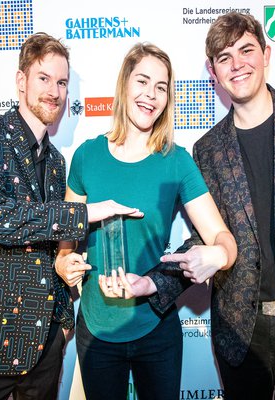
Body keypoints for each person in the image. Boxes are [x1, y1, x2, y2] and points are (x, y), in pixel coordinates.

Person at [119, 12, 275, 400]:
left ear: (266, 54)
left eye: (246, 50)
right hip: (240, 333)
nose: (237, 65)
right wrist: (154, 282)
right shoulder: (207, 150)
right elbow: (206, 242)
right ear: (213, 71)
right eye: (224, 57)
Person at [0, 32, 143, 400]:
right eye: (43, 78)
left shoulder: (56, 163)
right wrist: (85, 212)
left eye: (62, 82)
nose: (54, 90)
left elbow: (54, 249)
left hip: (43, 347)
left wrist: (63, 323)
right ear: (21, 81)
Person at [55, 43, 237, 399]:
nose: (150, 95)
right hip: (97, 330)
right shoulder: (86, 157)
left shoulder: (176, 161)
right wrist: (64, 261)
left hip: (157, 328)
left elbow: (221, 236)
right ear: (124, 85)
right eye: (142, 81)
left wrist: (219, 256)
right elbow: (66, 240)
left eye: (161, 87)